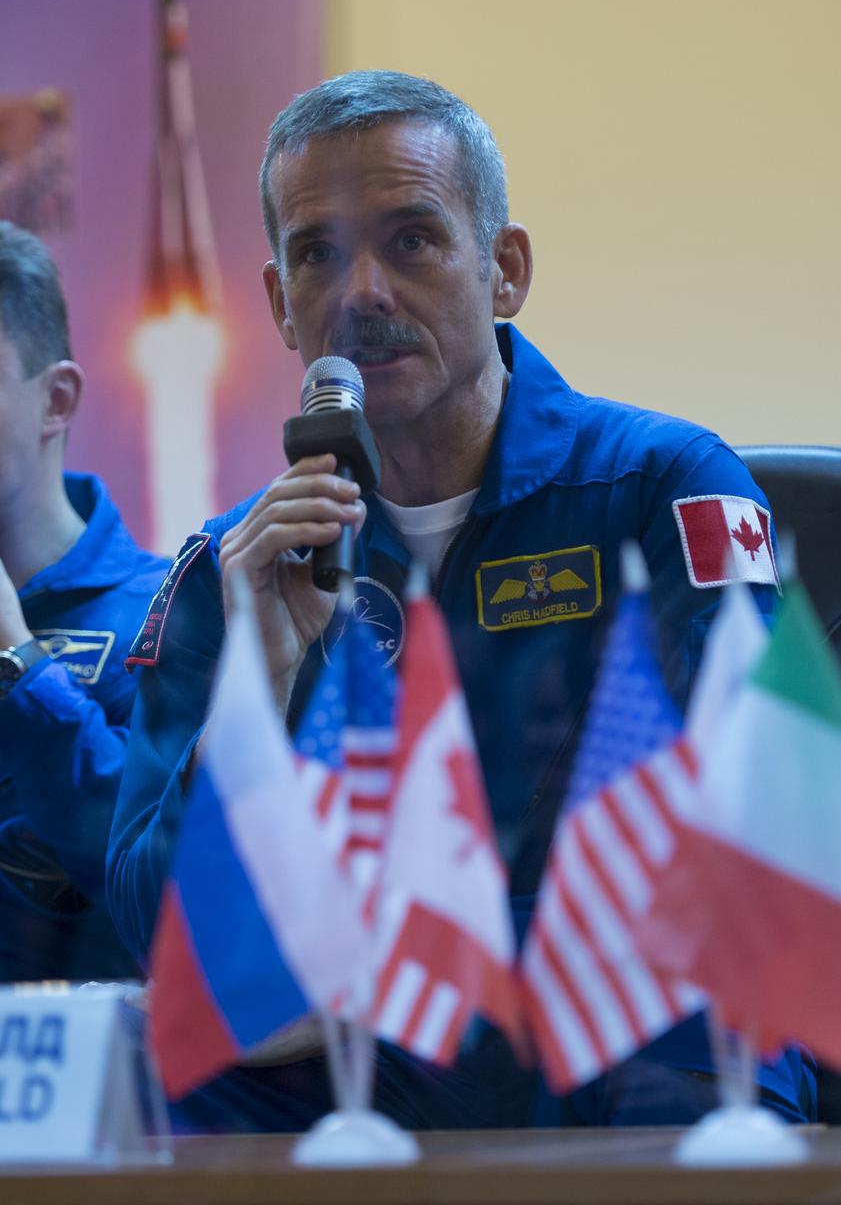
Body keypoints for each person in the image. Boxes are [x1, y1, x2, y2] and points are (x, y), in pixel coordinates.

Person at [107, 72, 814, 1128]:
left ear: (505, 270)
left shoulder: (661, 487)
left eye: (411, 239)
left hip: (638, 1053)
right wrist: (257, 680)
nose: (363, 293)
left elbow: (765, 834)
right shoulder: (242, 562)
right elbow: (154, 926)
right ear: (279, 306)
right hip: (361, 1078)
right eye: (317, 254)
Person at [0, 220, 168, 981]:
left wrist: (18, 660)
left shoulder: (170, 613)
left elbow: (166, 890)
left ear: (55, 398)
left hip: (84, 1088)